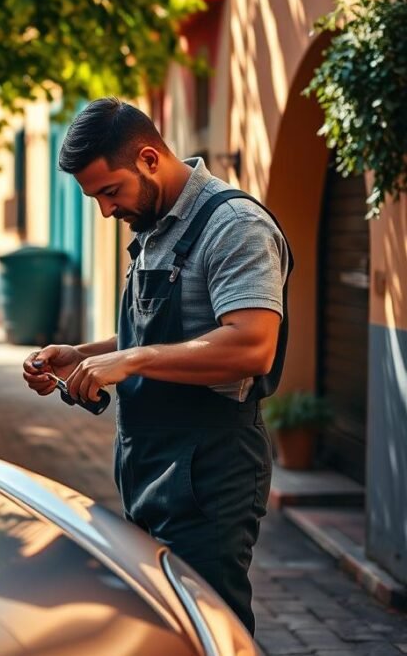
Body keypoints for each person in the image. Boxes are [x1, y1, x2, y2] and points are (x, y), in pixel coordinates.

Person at [23, 98, 292, 634]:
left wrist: (130, 359)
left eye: (109, 191)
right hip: (149, 468)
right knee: (161, 627)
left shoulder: (234, 225)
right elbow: (158, 333)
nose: (105, 210)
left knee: (207, 630)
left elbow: (251, 345)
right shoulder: (154, 224)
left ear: (149, 158)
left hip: (211, 470)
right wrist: (85, 355)